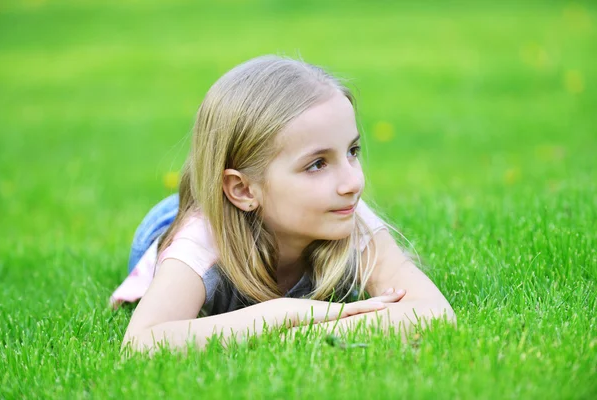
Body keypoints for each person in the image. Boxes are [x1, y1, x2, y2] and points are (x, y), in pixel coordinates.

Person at [112, 55, 455, 355]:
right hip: (183, 221)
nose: (353, 183)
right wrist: (283, 313)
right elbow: (142, 343)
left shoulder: (346, 212)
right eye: (317, 164)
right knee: (181, 227)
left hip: (237, 206)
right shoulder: (199, 245)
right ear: (244, 189)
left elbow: (434, 313)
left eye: (352, 152)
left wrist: (306, 335)